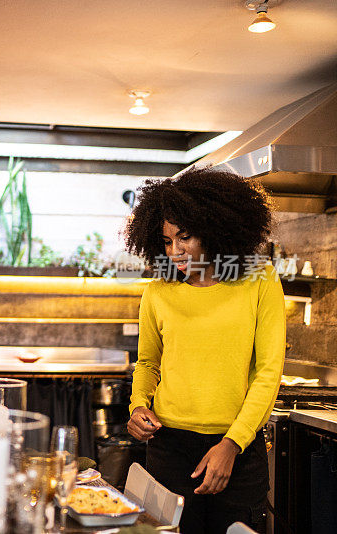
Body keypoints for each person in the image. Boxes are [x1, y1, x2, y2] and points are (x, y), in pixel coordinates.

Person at [124, 168, 285, 534]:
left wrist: (233, 443)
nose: (176, 251)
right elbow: (148, 363)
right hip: (168, 447)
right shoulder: (159, 291)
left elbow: (267, 370)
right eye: (166, 241)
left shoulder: (259, 279)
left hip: (237, 450)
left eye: (185, 237)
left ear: (214, 228)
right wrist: (137, 405)